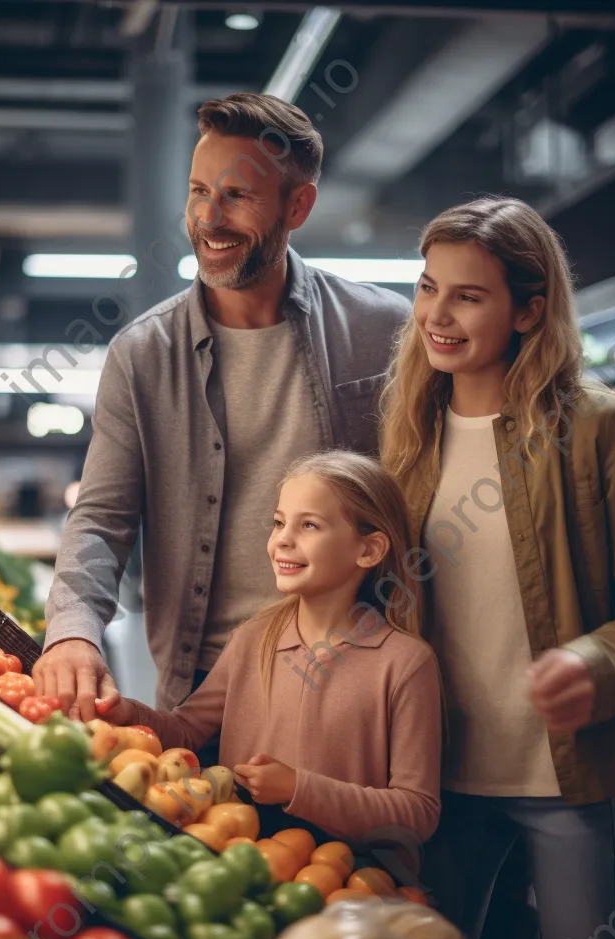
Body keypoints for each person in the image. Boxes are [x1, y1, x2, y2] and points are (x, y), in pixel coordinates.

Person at [378, 196, 615, 939]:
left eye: (468, 296)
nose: (437, 315)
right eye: (427, 288)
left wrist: (595, 663)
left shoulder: (603, 429)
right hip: (434, 783)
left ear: (529, 309)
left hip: (568, 779)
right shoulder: (406, 432)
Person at [33, 93, 411, 720]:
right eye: (198, 191)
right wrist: (73, 629)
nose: (209, 218)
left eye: (237, 196)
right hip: (203, 683)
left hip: (356, 671)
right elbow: (101, 519)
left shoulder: (382, 330)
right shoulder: (143, 354)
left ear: (298, 206)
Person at [98, 450, 443, 846]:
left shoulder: (406, 664)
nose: (283, 539)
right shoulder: (252, 638)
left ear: (368, 550)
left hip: (347, 887)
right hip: (238, 862)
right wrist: (129, 713)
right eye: (278, 523)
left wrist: (300, 788)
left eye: (309, 525)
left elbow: (417, 813)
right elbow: (187, 732)